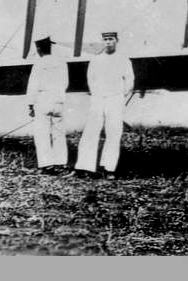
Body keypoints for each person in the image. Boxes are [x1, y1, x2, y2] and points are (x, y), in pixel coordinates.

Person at [72, 31, 134, 179]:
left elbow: (130, 81)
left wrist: (119, 96)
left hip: (115, 99)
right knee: (91, 130)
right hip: (98, 99)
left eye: (111, 39)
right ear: (102, 41)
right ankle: (85, 167)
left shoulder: (124, 59)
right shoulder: (96, 60)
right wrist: (96, 94)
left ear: (116, 40)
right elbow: (91, 79)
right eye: (105, 39)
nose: (108, 42)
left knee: (113, 132)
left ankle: (109, 168)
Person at [26, 35, 69, 174]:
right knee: (59, 132)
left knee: (42, 133)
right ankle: (61, 163)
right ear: (50, 47)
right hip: (58, 100)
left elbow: (33, 85)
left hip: (43, 99)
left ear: (38, 48)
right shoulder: (61, 62)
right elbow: (65, 83)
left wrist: (30, 104)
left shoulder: (39, 64)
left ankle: (46, 164)